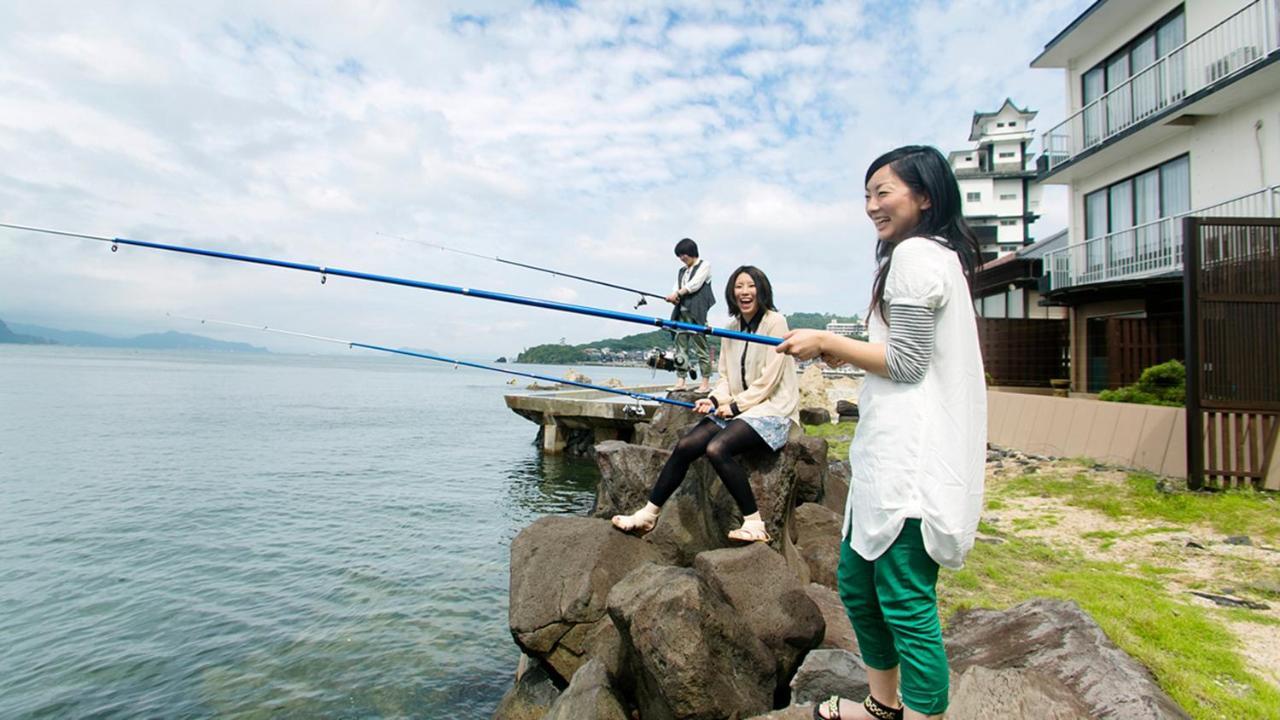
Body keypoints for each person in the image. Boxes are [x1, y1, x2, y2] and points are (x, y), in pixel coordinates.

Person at [777, 146, 986, 720]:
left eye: (884, 192)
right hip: (887, 454)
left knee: (902, 596)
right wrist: (838, 351)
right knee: (858, 583)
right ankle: (882, 704)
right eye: (867, 195)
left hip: (913, 462)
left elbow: (909, 361)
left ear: (925, 197)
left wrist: (826, 341)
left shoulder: (918, 255)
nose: (872, 206)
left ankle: (920, 712)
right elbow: (900, 357)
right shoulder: (919, 256)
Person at [613, 265, 800, 542]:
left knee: (717, 448)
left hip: (772, 409)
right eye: (739, 287)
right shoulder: (731, 328)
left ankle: (754, 523)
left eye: (751, 286)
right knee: (686, 445)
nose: (745, 292)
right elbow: (726, 377)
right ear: (731, 293)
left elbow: (769, 381)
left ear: (762, 290)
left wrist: (735, 407)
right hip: (742, 407)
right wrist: (713, 399)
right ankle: (649, 514)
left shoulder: (776, 323)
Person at [665, 238, 714, 392]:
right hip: (681, 312)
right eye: (679, 256)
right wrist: (673, 296)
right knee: (680, 347)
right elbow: (677, 287)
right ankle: (681, 381)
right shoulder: (682, 271)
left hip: (697, 312)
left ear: (691, 252)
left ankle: (705, 383)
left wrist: (678, 293)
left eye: (683, 255)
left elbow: (695, 284)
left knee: (701, 347)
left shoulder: (705, 265)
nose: (681, 258)